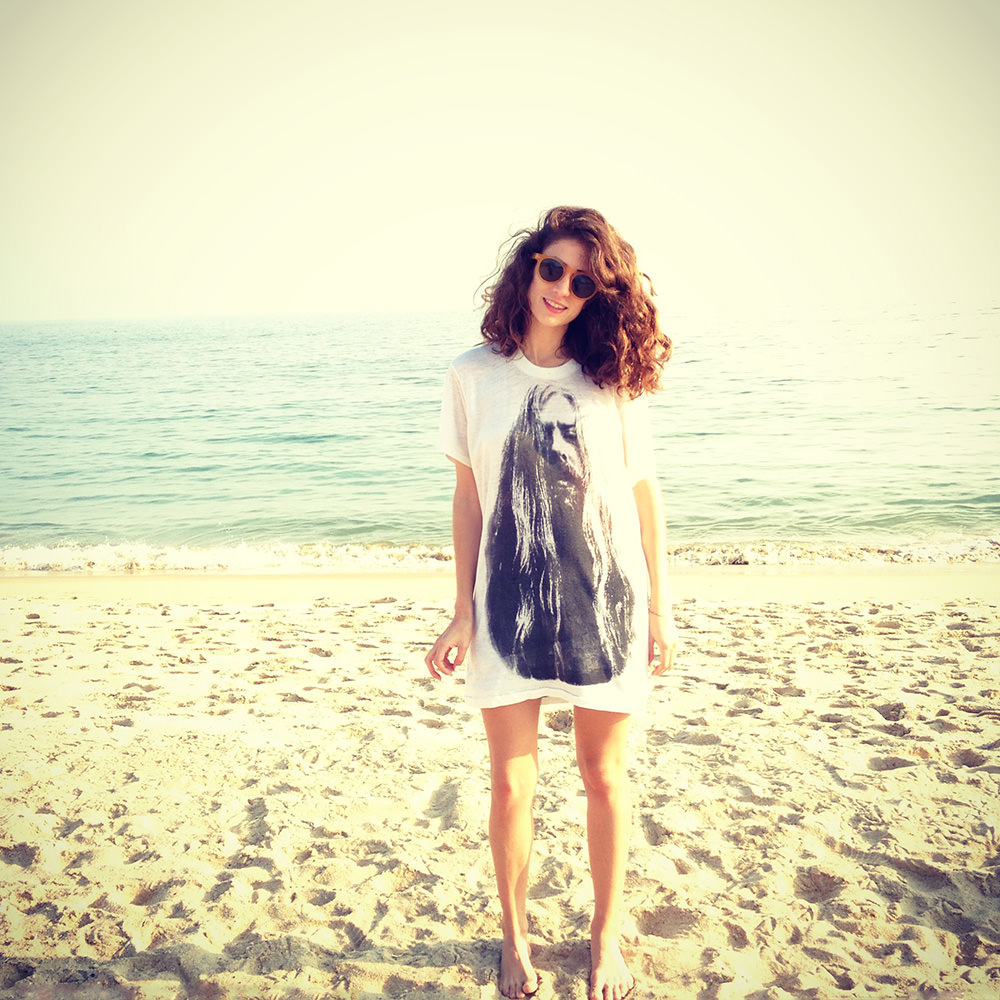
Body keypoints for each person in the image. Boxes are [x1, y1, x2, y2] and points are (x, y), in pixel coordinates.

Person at [425, 206, 677, 1000]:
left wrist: (662, 611)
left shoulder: (612, 381)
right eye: (553, 269)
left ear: (600, 295)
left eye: (583, 281)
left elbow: (645, 500)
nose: (563, 288)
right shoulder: (473, 374)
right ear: (529, 267)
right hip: (505, 608)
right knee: (510, 783)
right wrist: (462, 609)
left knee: (604, 776)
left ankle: (606, 940)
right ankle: (514, 937)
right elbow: (469, 498)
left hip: (607, 604)